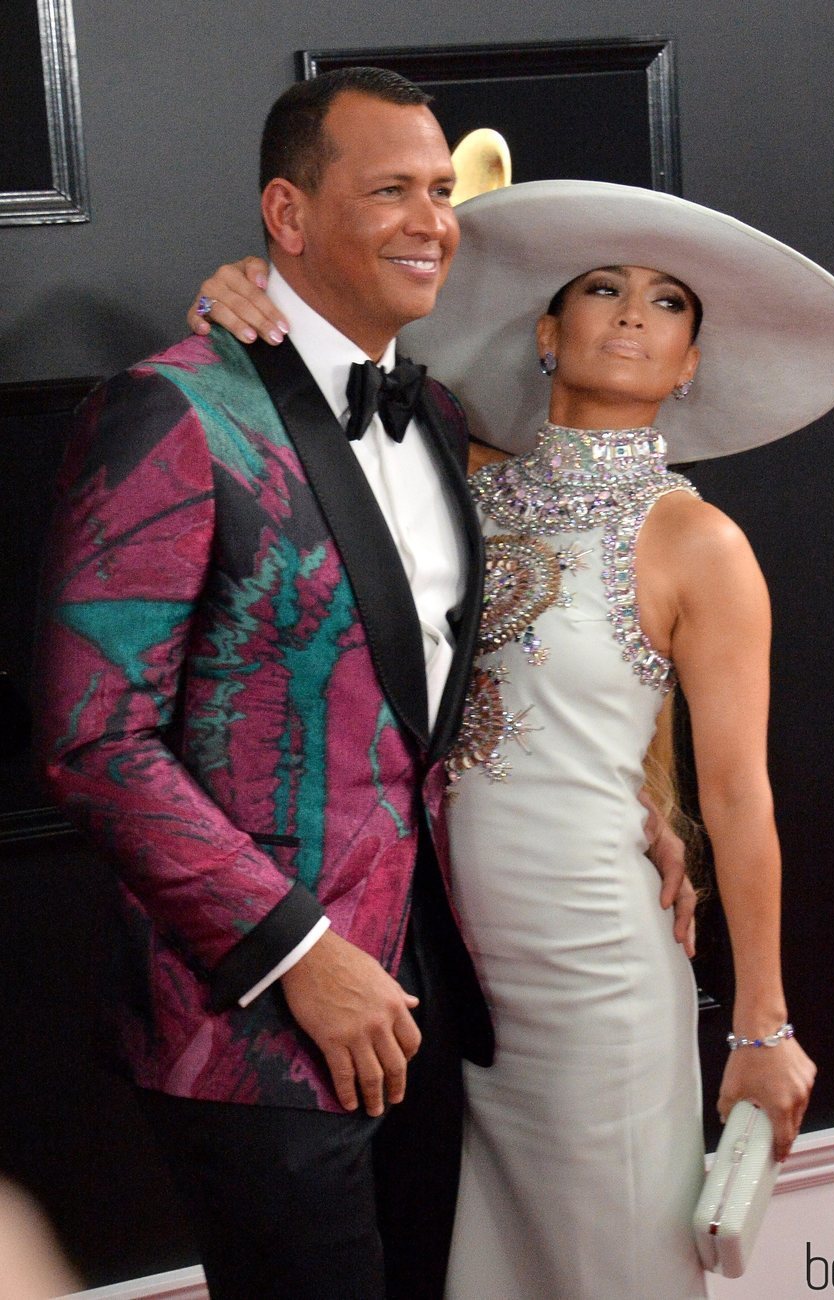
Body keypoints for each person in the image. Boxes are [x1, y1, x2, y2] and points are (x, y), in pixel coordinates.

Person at [189, 176, 834, 1297]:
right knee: (479, 1264)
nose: (633, 314)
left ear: (691, 361)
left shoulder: (699, 541)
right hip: (440, 964)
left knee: (608, 1262)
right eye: (602, 288)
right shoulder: (456, 482)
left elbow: (739, 792)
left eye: (667, 304)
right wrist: (230, 290)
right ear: (547, 332)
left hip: (597, 962)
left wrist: (759, 1027)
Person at [35, 66, 497, 1300]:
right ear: (287, 217)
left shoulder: (441, 413)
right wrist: (301, 952)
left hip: (424, 1001)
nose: (430, 218)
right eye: (390, 187)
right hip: (250, 1023)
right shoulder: (171, 410)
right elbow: (95, 740)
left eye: (441, 190)